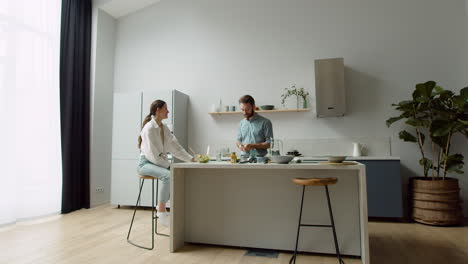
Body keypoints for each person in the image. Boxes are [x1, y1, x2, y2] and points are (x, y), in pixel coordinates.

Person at [137, 100, 195, 226]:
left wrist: (191, 159)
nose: (168, 111)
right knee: (168, 175)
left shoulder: (164, 128)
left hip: (156, 162)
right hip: (145, 164)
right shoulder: (149, 129)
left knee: (175, 174)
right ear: (158, 110)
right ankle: (161, 211)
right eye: (165, 109)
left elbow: (176, 148)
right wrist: (169, 166)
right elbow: (152, 156)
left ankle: (165, 207)